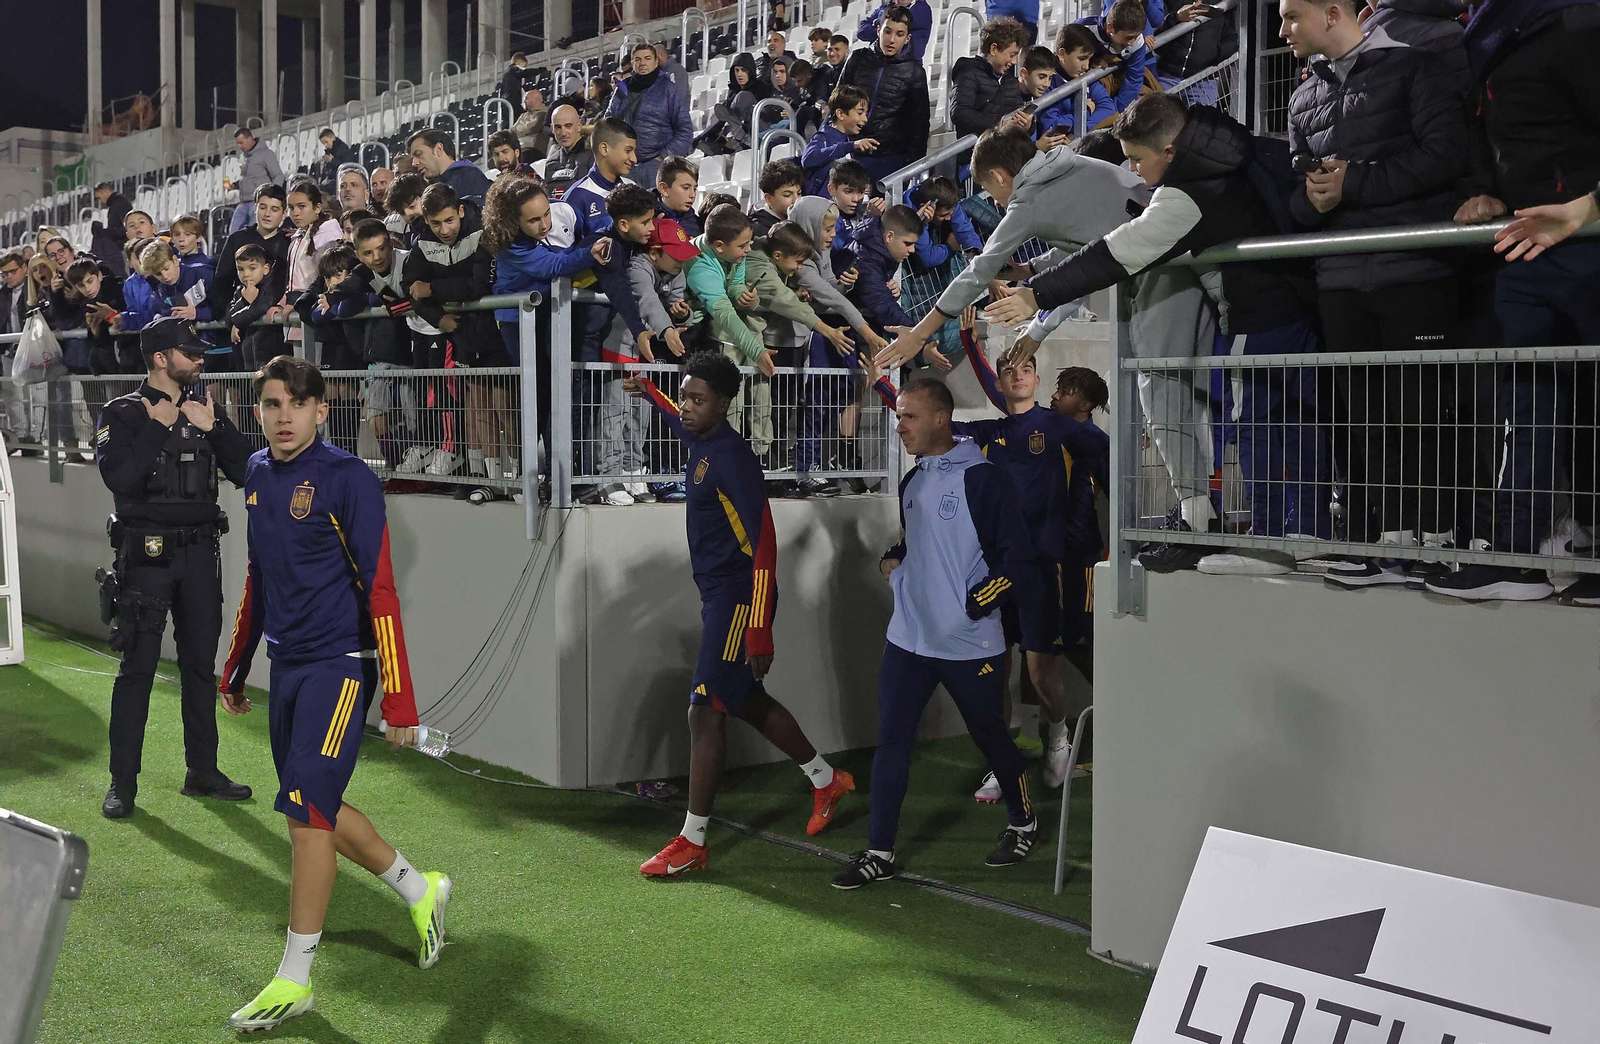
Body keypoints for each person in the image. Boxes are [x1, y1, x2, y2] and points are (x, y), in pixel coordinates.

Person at [989, 93, 1326, 573]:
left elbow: (1115, 253)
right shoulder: (1227, 145)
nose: (1134, 171)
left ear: (1168, 151)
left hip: (1259, 311)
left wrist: (1038, 297)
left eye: (1137, 159)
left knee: (1258, 423)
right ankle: (1311, 532)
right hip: (1300, 302)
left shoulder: (1182, 193)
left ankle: (1270, 541)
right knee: (1300, 420)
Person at [218, 355, 450, 1033]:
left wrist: (399, 700)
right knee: (308, 801)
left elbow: (380, 589)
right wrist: (236, 671)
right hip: (287, 669)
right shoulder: (258, 475)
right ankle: (419, 887)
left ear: (323, 409)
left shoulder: (349, 480)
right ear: (257, 411)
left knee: (305, 815)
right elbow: (258, 579)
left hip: (342, 665)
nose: (283, 416)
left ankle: (294, 979)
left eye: (296, 403)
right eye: (270, 404)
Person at [878, 125, 1218, 565]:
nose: (995, 202)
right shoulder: (1070, 166)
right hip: (1171, 268)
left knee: (1162, 394)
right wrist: (1027, 272)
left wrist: (922, 332)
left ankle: (1198, 523)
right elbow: (1090, 245)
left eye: (987, 190)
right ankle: (1200, 514)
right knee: (1179, 396)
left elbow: (980, 270)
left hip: (1161, 273)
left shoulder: (1029, 195)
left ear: (1001, 176)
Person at [625, 351, 855, 877]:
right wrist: (654, 396)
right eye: (683, 396)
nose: (686, 407)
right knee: (745, 699)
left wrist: (757, 628)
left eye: (697, 400)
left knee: (704, 709)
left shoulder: (731, 457)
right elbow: (682, 427)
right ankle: (826, 780)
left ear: (725, 404)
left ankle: (693, 841)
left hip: (738, 597)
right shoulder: (702, 439)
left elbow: (766, 542)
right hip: (718, 596)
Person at [1279, 0, 1466, 587]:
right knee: (1357, 416)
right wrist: (1308, 202)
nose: (1282, 30)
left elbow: (1445, 156)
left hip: (1415, 271)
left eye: (1290, 17)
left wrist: (1354, 181)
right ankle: (1369, 542)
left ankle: (1430, 539)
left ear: (1332, 13)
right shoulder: (1301, 97)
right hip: (1339, 279)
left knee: (1420, 413)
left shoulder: (1416, 68)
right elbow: (1295, 190)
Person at [832, 377, 1040, 890]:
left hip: (967, 643)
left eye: (909, 416)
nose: (899, 425)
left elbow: (1018, 562)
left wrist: (976, 603)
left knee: (990, 736)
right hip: (909, 639)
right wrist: (897, 563)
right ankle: (880, 852)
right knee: (892, 741)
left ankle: (1024, 822)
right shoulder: (915, 478)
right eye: (898, 416)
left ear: (941, 419)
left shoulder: (983, 478)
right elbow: (919, 543)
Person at [1434, 0, 1600, 604]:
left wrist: (1589, 209)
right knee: (1525, 408)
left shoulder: (1578, 21)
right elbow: (1487, 134)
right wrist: (1481, 190)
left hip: (1588, 240)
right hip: (1525, 246)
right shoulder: (1482, 36)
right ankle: (1517, 558)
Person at [93, 317, 256, 819]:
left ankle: (202, 772)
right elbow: (118, 476)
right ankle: (123, 784)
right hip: (146, 558)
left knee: (199, 670)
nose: (200, 358)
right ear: (161, 358)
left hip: (200, 555)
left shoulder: (206, 407)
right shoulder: (121, 412)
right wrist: (157, 427)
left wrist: (217, 427)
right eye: (190, 352)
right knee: (137, 669)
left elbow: (249, 470)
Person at [949, 310, 1108, 798]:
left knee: (1044, 666)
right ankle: (1007, 756)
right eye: (1008, 369)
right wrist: (887, 390)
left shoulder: (1060, 428)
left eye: (1025, 369)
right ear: (1000, 382)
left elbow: (1113, 459)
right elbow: (933, 427)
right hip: (999, 570)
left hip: (1048, 567)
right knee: (997, 667)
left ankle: (1058, 738)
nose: (1017, 374)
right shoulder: (988, 433)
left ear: (1037, 379)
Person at [404, 182, 510, 498]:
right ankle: (483, 477)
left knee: (505, 407)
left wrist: (434, 289)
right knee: (476, 408)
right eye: (435, 223)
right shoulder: (422, 243)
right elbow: (412, 289)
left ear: (461, 211)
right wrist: (440, 318)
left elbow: (479, 286)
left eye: (449, 220)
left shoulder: (483, 233)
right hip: (461, 332)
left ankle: (514, 477)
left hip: (497, 332)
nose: (444, 229)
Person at [835, 8, 930, 180]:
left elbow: (919, 125)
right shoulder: (857, 58)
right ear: (878, 30)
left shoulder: (914, 73)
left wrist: (914, 165)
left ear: (907, 38)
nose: (891, 40)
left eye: (899, 34)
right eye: (887, 31)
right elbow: (837, 101)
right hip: (852, 151)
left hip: (891, 159)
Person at [605, 42, 694, 191]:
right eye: (637, 59)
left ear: (656, 61)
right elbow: (607, 125)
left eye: (647, 58)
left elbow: (685, 130)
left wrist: (663, 157)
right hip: (626, 166)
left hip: (656, 166)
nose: (642, 63)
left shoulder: (670, 90)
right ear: (632, 63)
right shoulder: (621, 91)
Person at [950, 18, 1031, 141]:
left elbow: (1017, 111)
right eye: (1012, 55)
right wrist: (998, 126)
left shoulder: (1009, 81)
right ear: (994, 49)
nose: (1014, 61)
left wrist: (1028, 126)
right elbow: (960, 113)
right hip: (976, 155)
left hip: (1008, 153)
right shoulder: (969, 72)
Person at [1155, 2, 1241, 107]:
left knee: (1204, 121)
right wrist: (1176, 17)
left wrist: (1212, 58)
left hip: (1203, 80)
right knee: (1157, 119)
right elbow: (1156, 42)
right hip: (1167, 77)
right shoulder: (1172, 3)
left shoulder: (1221, 5)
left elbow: (1231, 40)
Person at [800, 85, 878, 197]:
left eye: (866, 114)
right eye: (860, 113)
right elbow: (808, 159)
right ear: (840, 114)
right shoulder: (823, 137)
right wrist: (849, 146)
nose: (865, 119)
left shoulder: (849, 142)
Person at [407, 128, 492, 207]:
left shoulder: (471, 177)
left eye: (418, 154)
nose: (414, 163)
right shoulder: (428, 187)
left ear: (438, 149)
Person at [232, 127, 285, 234]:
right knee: (233, 233)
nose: (239, 146)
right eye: (237, 143)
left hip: (257, 201)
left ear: (249, 138)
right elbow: (250, 177)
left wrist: (272, 195)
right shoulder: (244, 157)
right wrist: (237, 185)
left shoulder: (266, 154)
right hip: (243, 201)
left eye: (241, 142)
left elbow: (278, 175)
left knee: (253, 234)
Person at [544, 103, 594, 200]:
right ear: (552, 129)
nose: (563, 133)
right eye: (558, 127)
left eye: (568, 126)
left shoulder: (594, 156)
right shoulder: (550, 162)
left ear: (579, 126)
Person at [856, 0, 934, 60]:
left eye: (899, 34)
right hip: (875, 62)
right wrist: (882, 32)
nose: (891, 38)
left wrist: (884, 33)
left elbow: (913, 49)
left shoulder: (922, 11)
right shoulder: (885, 7)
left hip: (904, 69)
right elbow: (862, 32)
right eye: (887, 32)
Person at [91, 181, 134, 277]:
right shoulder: (116, 203)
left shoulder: (120, 203)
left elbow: (126, 227)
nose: (100, 201)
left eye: (99, 197)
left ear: (105, 192)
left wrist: (107, 233)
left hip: (123, 248)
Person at [655, 156, 703, 238]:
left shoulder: (699, 224)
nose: (692, 195)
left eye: (695, 189)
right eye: (686, 188)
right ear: (664, 189)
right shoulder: (644, 219)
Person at [512, 89, 551, 159]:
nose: (524, 101)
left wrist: (518, 131)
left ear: (534, 100)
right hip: (520, 143)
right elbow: (512, 130)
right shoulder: (523, 115)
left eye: (526, 98)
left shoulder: (543, 114)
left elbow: (530, 128)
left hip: (533, 149)